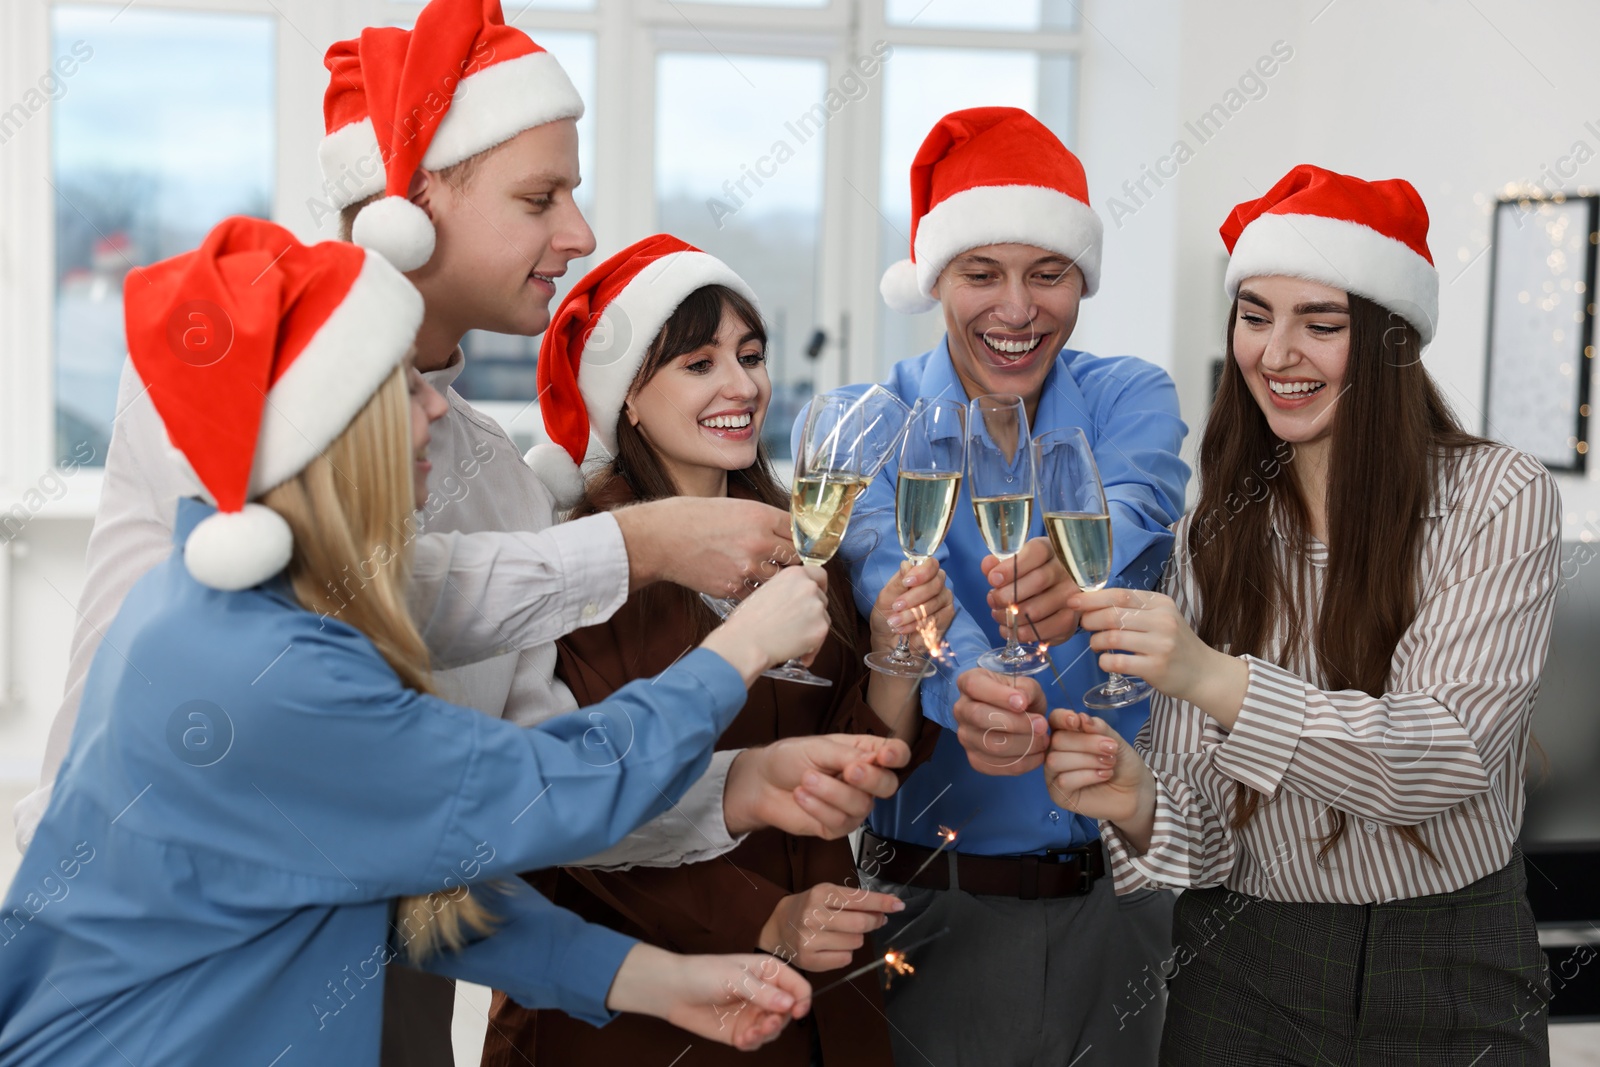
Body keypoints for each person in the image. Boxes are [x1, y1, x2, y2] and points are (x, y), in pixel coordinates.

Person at [12, 3, 900, 1061]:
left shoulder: (475, 484)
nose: (576, 232)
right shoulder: (239, 470)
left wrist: (659, 949)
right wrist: (702, 612)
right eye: (540, 196)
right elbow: (511, 766)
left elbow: (427, 850)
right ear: (415, 202)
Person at [1038, 164, 1559, 1064]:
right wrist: (1136, 799)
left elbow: (1445, 755)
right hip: (1243, 969)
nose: (1277, 354)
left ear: (1391, 342)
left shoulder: (1494, 497)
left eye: (1321, 324)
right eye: (1255, 316)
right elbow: (1209, 841)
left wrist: (1214, 677)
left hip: (1451, 963)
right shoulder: (1219, 528)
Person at [479, 235, 954, 1066]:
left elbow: (862, 762)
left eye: (752, 355)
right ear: (627, 397)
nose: (742, 385)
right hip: (629, 1005)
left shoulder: (804, 538)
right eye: (699, 364)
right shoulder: (582, 566)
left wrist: (893, 655)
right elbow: (576, 814)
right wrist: (763, 918)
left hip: (814, 980)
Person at [817, 107, 1190, 1065]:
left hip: (1122, 906)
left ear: (1082, 281)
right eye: (982, 273)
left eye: (1049, 274)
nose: (1017, 310)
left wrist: (1080, 555)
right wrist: (972, 686)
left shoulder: (1129, 393)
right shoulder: (875, 419)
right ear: (936, 277)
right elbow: (891, 576)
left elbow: (1143, 490)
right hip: (930, 903)